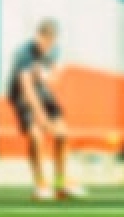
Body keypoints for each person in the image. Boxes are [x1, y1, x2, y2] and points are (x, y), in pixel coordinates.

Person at [8, 19, 85, 201]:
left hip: (43, 92)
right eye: (42, 39)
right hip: (21, 94)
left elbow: (54, 77)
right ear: (37, 36)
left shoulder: (55, 50)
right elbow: (26, 88)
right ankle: (40, 183)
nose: (44, 45)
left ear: (53, 40)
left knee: (63, 134)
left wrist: (46, 76)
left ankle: (60, 182)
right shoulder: (24, 54)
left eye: (49, 41)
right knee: (36, 135)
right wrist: (40, 116)